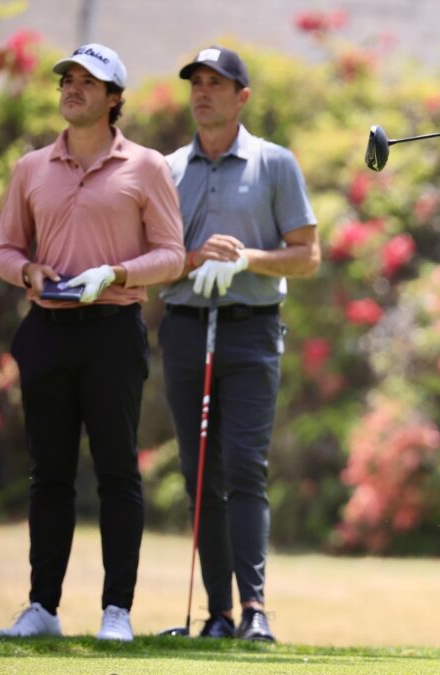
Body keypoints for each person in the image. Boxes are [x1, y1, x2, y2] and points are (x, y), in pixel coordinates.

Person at [0, 43, 185, 641]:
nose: (72, 88)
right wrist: (27, 272)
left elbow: (172, 255)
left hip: (111, 332)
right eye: (67, 80)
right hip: (46, 331)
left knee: (116, 471)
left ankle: (116, 612)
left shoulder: (146, 166)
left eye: (87, 81)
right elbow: (4, 250)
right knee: (48, 474)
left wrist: (119, 272)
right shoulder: (31, 168)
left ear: (114, 98)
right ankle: (42, 608)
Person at [159, 45, 319, 642]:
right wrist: (192, 261)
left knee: (245, 468)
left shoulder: (274, 163)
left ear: (241, 96)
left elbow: (308, 256)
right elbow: (154, 259)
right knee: (201, 472)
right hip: (184, 328)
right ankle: (218, 615)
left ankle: (254, 610)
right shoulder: (168, 169)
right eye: (196, 83)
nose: (203, 92)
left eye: (216, 83)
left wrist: (245, 259)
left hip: (252, 329)